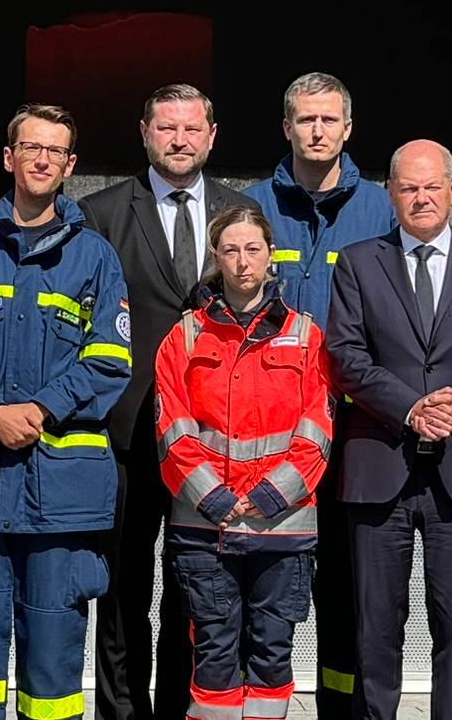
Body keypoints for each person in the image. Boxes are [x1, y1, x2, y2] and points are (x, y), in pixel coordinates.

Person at [0, 104, 133, 720]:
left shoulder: (96, 258)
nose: (42, 159)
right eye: (30, 147)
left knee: (53, 674)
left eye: (55, 151)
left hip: (59, 501)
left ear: (69, 166)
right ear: (8, 158)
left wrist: (37, 408)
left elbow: (110, 359)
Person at [325, 139, 452, 720]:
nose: (420, 198)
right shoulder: (359, 262)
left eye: (431, 186)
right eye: (408, 188)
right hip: (377, 465)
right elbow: (346, 355)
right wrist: (412, 408)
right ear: (390, 194)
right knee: (375, 626)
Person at [80, 84, 251, 720]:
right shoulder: (99, 212)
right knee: (122, 591)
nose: (180, 140)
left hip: (211, 438)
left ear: (212, 134)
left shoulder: (241, 213)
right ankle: (122, 714)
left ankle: (183, 710)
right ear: (145, 133)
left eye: (192, 129)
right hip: (125, 433)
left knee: (195, 593)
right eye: (167, 128)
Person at [239, 71, 394, 711]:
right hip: (269, 438)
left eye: (329, 119)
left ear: (348, 129)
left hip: (358, 429)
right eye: (306, 119)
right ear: (286, 127)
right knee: (264, 587)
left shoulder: (382, 210)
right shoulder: (250, 208)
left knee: (350, 589)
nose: (318, 130)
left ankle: (342, 708)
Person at [153, 204, 334, 720]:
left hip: (282, 526)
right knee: (212, 652)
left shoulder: (304, 336)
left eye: (252, 249)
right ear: (216, 257)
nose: (242, 261)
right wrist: (214, 497)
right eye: (230, 250)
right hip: (203, 526)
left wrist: (268, 496)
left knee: (272, 656)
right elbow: (171, 427)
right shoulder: (185, 336)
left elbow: (317, 428)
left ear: (270, 255)